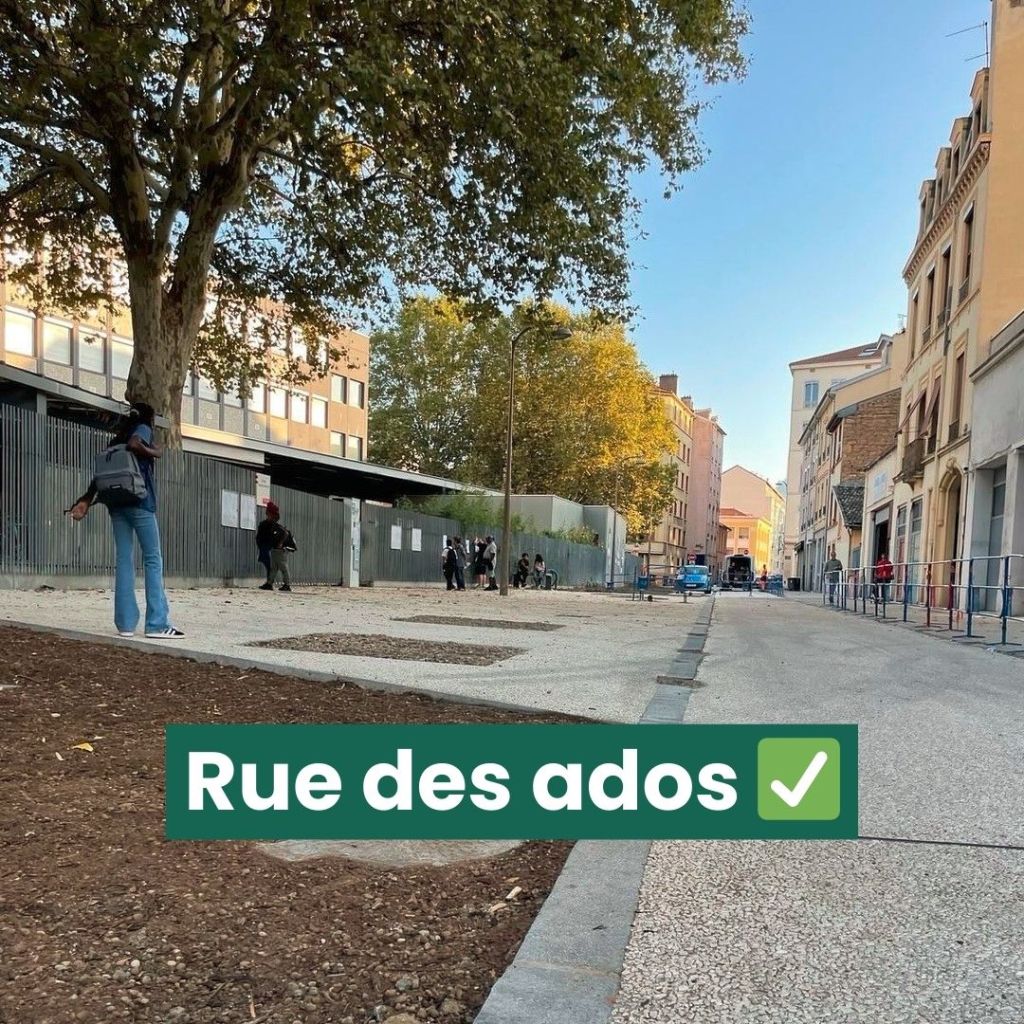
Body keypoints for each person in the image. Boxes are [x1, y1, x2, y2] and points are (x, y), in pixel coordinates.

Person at [67, 402, 184, 639]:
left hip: (116, 505)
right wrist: (156, 452)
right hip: (140, 503)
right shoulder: (143, 429)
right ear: (149, 418)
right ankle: (157, 624)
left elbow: (99, 478)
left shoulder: (115, 441)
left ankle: (125, 624)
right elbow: (135, 444)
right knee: (153, 559)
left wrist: (86, 500)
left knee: (124, 559)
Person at [259, 505, 294, 592]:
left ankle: (287, 585)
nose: (268, 516)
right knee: (274, 568)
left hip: (280, 551)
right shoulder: (271, 525)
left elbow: (286, 533)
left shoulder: (277, 526)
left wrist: (280, 543)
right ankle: (269, 584)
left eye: (269, 515)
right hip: (274, 550)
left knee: (283, 567)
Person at [255, 501, 279, 586]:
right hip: (264, 545)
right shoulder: (266, 524)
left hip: (267, 546)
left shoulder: (271, 525)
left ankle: (269, 582)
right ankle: (269, 581)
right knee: (268, 564)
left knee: (269, 564)